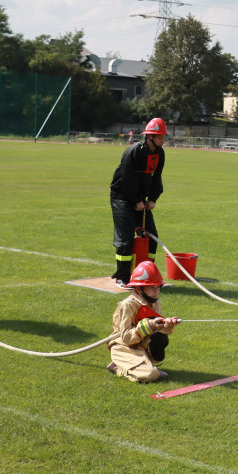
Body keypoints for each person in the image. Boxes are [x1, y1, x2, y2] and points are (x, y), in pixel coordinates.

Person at [110, 117, 167, 287]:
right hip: (122, 197)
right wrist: (136, 201)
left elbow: (156, 177)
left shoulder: (160, 153)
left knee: (152, 237)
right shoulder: (133, 152)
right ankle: (123, 277)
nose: (163, 140)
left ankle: (148, 275)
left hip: (140, 199)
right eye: (160, 137)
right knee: (126, 240)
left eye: (164, 137)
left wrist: (152, 199)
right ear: (149, 137)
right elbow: (127, 179)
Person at [106, 261, 180, 382]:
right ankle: (117, 367)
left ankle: (148, 365)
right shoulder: (128, 305)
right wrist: (149, 325)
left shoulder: (154, 302)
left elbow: (157, 331)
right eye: (152, 287)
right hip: (123, 347)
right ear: (139, 288)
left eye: (158, 287)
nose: (156, 292)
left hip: (140, 343)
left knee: (161, 338)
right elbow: (126, 338)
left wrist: (167, 325)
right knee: (151, 375)